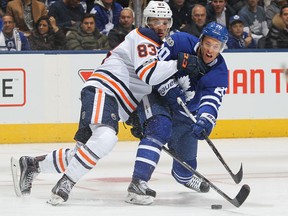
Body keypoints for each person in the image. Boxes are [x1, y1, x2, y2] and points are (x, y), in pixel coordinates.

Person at [15, 1, 196, 206]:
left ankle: (32, 165)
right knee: (106, 138)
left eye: (165, 22)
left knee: (84, 151)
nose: (160, 26)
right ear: (147, 21)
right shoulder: (144, 36)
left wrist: (135, 117)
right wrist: (179, 63)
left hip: (114, 98)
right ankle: (66, 182)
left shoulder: (157, 46)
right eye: (155, 21)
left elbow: (143, 84)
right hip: (106, 89)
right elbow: (148, 74)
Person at [125, 21, 229, 205]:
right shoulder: (180, 41)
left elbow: (212, 99)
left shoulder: (220, 70)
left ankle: (185, 177)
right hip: (156, 98)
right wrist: (165, 85)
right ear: (201, 40)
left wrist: (205, 119)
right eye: (208, 43)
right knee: (159, 129)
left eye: (216, 46)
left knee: (187, 166)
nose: (210, 50)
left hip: (185, 111)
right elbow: (152, 66)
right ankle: (138, 183)